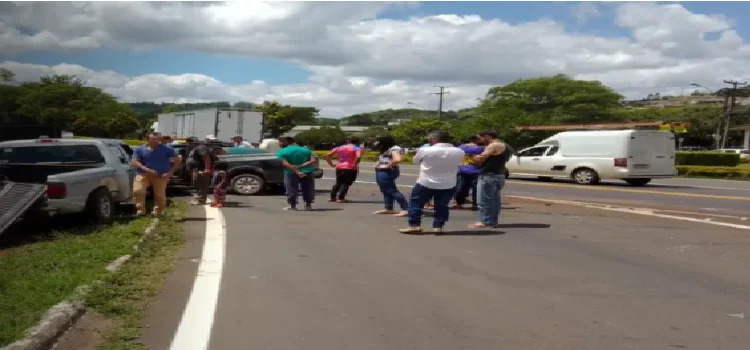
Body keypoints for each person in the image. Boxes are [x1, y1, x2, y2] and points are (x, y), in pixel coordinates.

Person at [399, 131, 464, 234]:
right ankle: (438, 227)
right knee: (442, 206)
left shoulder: (425, 150)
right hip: (448, 183)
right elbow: (459, 163)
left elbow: (415, 161)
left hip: (426, 182)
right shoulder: (459, 151)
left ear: (434, 139)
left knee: (415, 203)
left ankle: (415, 225)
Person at [469, 130, 512, 229]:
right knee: (495, 200)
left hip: (488, 175)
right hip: (499, 174)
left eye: (480, 138)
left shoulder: (493, 145)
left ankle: (484, 221)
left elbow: (481, 158)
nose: (479, 141)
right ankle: (493, 221)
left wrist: (474, 158)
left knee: (484, 200)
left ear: (487, 136)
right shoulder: (506, 146)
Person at [132, 133, 181, 216]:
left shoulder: (167, 149)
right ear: (148, 139)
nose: (156, 141)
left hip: (161, 174)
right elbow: (134, 161)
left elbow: (177, 161)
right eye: (153, 139)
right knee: (138, 190)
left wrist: (170, 172)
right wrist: (146, 169)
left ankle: (158, 211)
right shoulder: (140, 149)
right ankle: (140, 210)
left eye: (158, 139)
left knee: (159, 194)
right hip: (143, 173)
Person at [277, 136, 318, 211]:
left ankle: (293, 206)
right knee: (308, 188)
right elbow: (313, 160)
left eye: (280, 142)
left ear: (286, 142)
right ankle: (308, 205)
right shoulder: (306, 150)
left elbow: (285, 164)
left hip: (290, 172)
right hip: (307, 171)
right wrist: (301, 166)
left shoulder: (282, 151)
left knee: (291, 188)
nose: (279, 144)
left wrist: (296, 170)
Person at [373, 135, 409, 217]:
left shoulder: (394, 148)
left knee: (391, 190)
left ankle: (406, 209)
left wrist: (389, 165)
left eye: (378, 140)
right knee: (385, 190)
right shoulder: (386, 148)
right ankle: (388, 208)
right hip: (382, 171)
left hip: (386, 172)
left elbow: (397, 159)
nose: (377, 142)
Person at [324, 137, 363, 203]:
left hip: (339, 167)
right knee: (346, 183)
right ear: (357, 142)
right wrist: (355, 163)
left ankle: (332, 197)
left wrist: (331, 164)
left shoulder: (339, 147)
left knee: (338, 183)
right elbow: (358, 156)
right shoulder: (356, 148)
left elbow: (327, 155)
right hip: (349, 168)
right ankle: (341, 198)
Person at [454, 136, 485, 210]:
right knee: (476, 188)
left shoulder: (460, 147)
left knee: (460, 187)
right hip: (475, 170)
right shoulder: (481, 148)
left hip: (462, 170)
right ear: (476, 140)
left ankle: (459, 204)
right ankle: (475, 205)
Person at [188, 136, 218, 205]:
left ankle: (201, 200)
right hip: (197, 169)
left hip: (201, 170)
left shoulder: (201, 148)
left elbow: (206, 158)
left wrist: (207, 169)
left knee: (201, 184)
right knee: (198, 183)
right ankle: (200, 198)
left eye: (190, 142)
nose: (189, 143)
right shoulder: (196, 148)